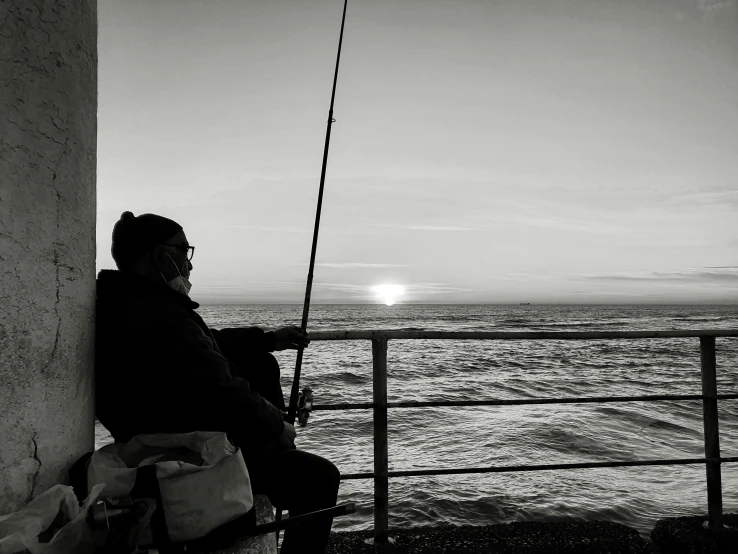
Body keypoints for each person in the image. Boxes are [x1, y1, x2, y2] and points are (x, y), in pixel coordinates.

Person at [95, 211, 340, 554]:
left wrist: (269, 338)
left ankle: (276, 457)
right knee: (320, 477)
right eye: (184, 250)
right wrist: (277, 426)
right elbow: (219, 389)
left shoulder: (133, 304)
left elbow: (207, 342)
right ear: (159, 254)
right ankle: (278, 460)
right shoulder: (158, 314)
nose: (189, 264)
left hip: (163, 435)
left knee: (260, 361)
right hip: (185, 449)